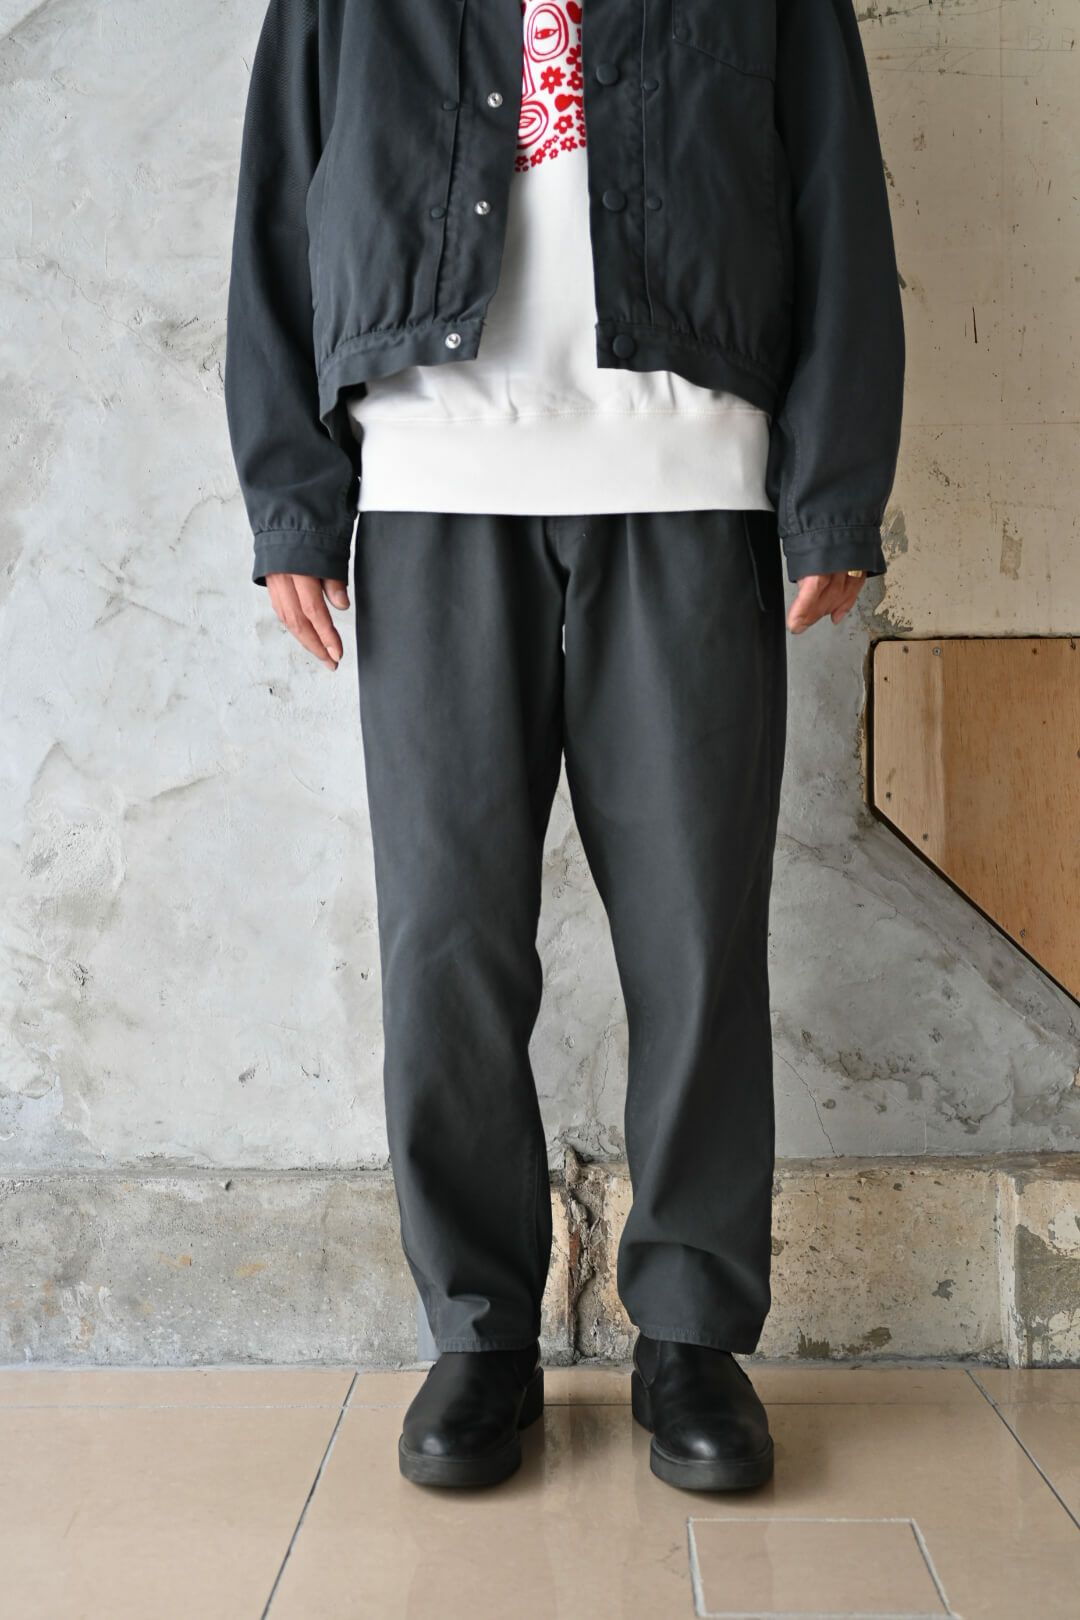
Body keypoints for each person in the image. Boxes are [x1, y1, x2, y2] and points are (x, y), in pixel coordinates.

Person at [224, 0, 904, 1492]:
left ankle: (691, 1336)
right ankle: (479, 1334)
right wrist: (291, 497)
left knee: (696, 935)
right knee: (447, 935)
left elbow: (837, 200)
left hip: (691, 486)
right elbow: (280, 204)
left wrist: (834, 491)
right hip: (432, 484)